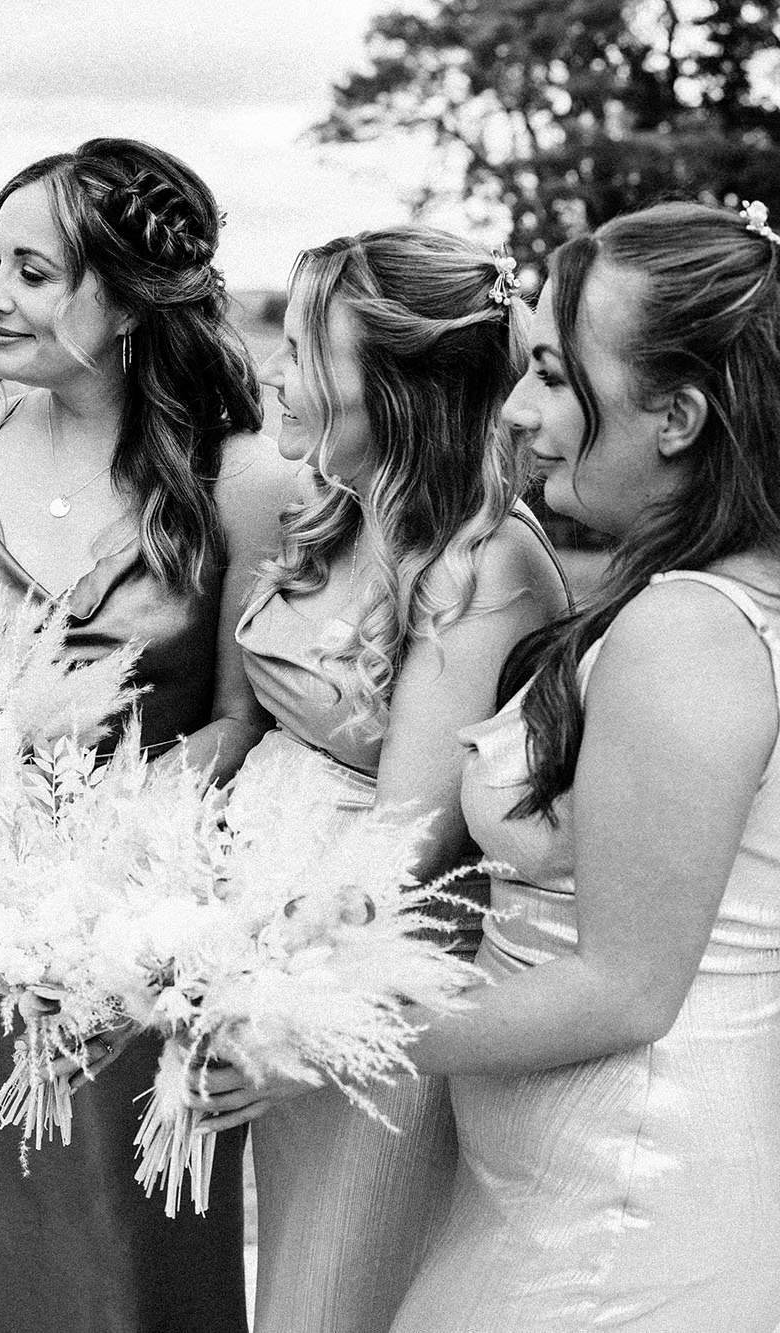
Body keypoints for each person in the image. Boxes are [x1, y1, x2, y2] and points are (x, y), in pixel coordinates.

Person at [0, 136, 291, 1333]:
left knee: (139, 1259)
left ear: (124, 300)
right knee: (6, 1243)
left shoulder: (240, 479)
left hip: (153, 941)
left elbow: (242, 721)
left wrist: (111, 827)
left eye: (30, 272)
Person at [384, 202, 780, 1328]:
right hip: (570, 1188)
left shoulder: (690, 629)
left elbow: (624, 986)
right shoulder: (710, 598)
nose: (517, 409)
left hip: (616, 1212)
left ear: (677, 417)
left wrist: (324, 1029)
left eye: (554, 376)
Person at [188, 226, 566, 1332]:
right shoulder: (328, 511)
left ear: (404, 389)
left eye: (307, 353)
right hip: (268, 943)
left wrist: (292, 1006)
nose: (274, 374)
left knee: (326, 1305)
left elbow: (407, 838)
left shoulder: (482, 565)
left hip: (366, 982)